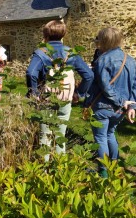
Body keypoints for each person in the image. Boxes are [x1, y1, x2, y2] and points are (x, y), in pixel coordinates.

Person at [26, 19, 94, 157]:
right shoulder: (71, 52)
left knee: (45, 136)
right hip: (65, 98)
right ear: (63, 35)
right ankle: (60, 167)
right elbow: (89, 75)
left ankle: (44, 171)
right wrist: (78, 94)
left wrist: (34, 94)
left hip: (47, 98)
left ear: (45, 35)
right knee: (60, 136)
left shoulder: (41, 52)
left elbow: (31, 73)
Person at [84, 27, 136, 178]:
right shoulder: (130, 60)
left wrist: (122, 101)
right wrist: (133, 105)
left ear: (104, 40)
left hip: (104, 106)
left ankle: (103, 172)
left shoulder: (103, 59)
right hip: (120, 109)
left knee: (101, 138)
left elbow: (105, 86)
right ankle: (114, 168)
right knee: (110, 134)